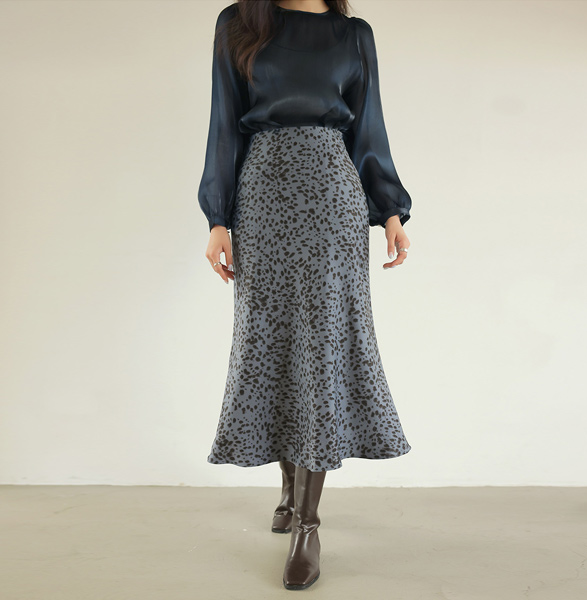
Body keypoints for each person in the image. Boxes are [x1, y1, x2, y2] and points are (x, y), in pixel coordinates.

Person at [197, 0, 413, 590]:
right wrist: (218, 218)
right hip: (262, 197)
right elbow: (223, 121)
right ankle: (288, 491)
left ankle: (308, 525)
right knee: (272, 344)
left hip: (334, 199)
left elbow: (369, 127)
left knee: (322, 350)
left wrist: (390, 210)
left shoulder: (354, 35)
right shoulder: (238, 24)